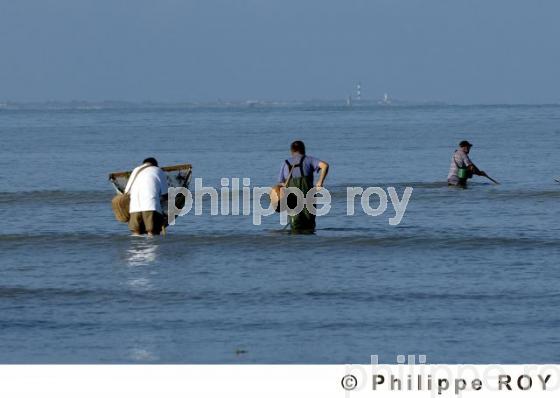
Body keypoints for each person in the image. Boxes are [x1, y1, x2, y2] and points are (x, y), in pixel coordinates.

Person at [278, 140, 329, 233]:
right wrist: (320, 182)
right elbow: (325, 165)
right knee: (309, 224)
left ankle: (296, 244)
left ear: (291, 151)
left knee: (295, 224)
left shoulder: (285, 163)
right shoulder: (309, 160)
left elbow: (281, 184)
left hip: (292, 199)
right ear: (303, 150)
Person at [125, 157, 169, 236]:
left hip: (134, 207)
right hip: (151, 206)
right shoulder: (158, 170)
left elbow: (126, 192)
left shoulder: (136, 170)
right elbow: (165, 194)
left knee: (136, 233)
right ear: (155, 165)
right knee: (152, 232)